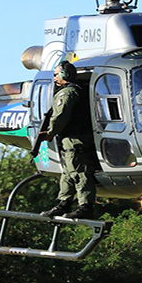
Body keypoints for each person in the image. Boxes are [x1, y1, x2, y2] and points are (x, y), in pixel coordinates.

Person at [39, 61, 97, 219]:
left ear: (64, 75)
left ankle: (85, 206)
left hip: (75, 137)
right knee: (67, 171)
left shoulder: (67, 93)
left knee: (79, 171)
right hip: (69, 138)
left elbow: (60, 117)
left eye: (56, 74)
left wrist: (50, 132)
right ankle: (63, 202)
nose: (55, 78)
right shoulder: (72, 91)